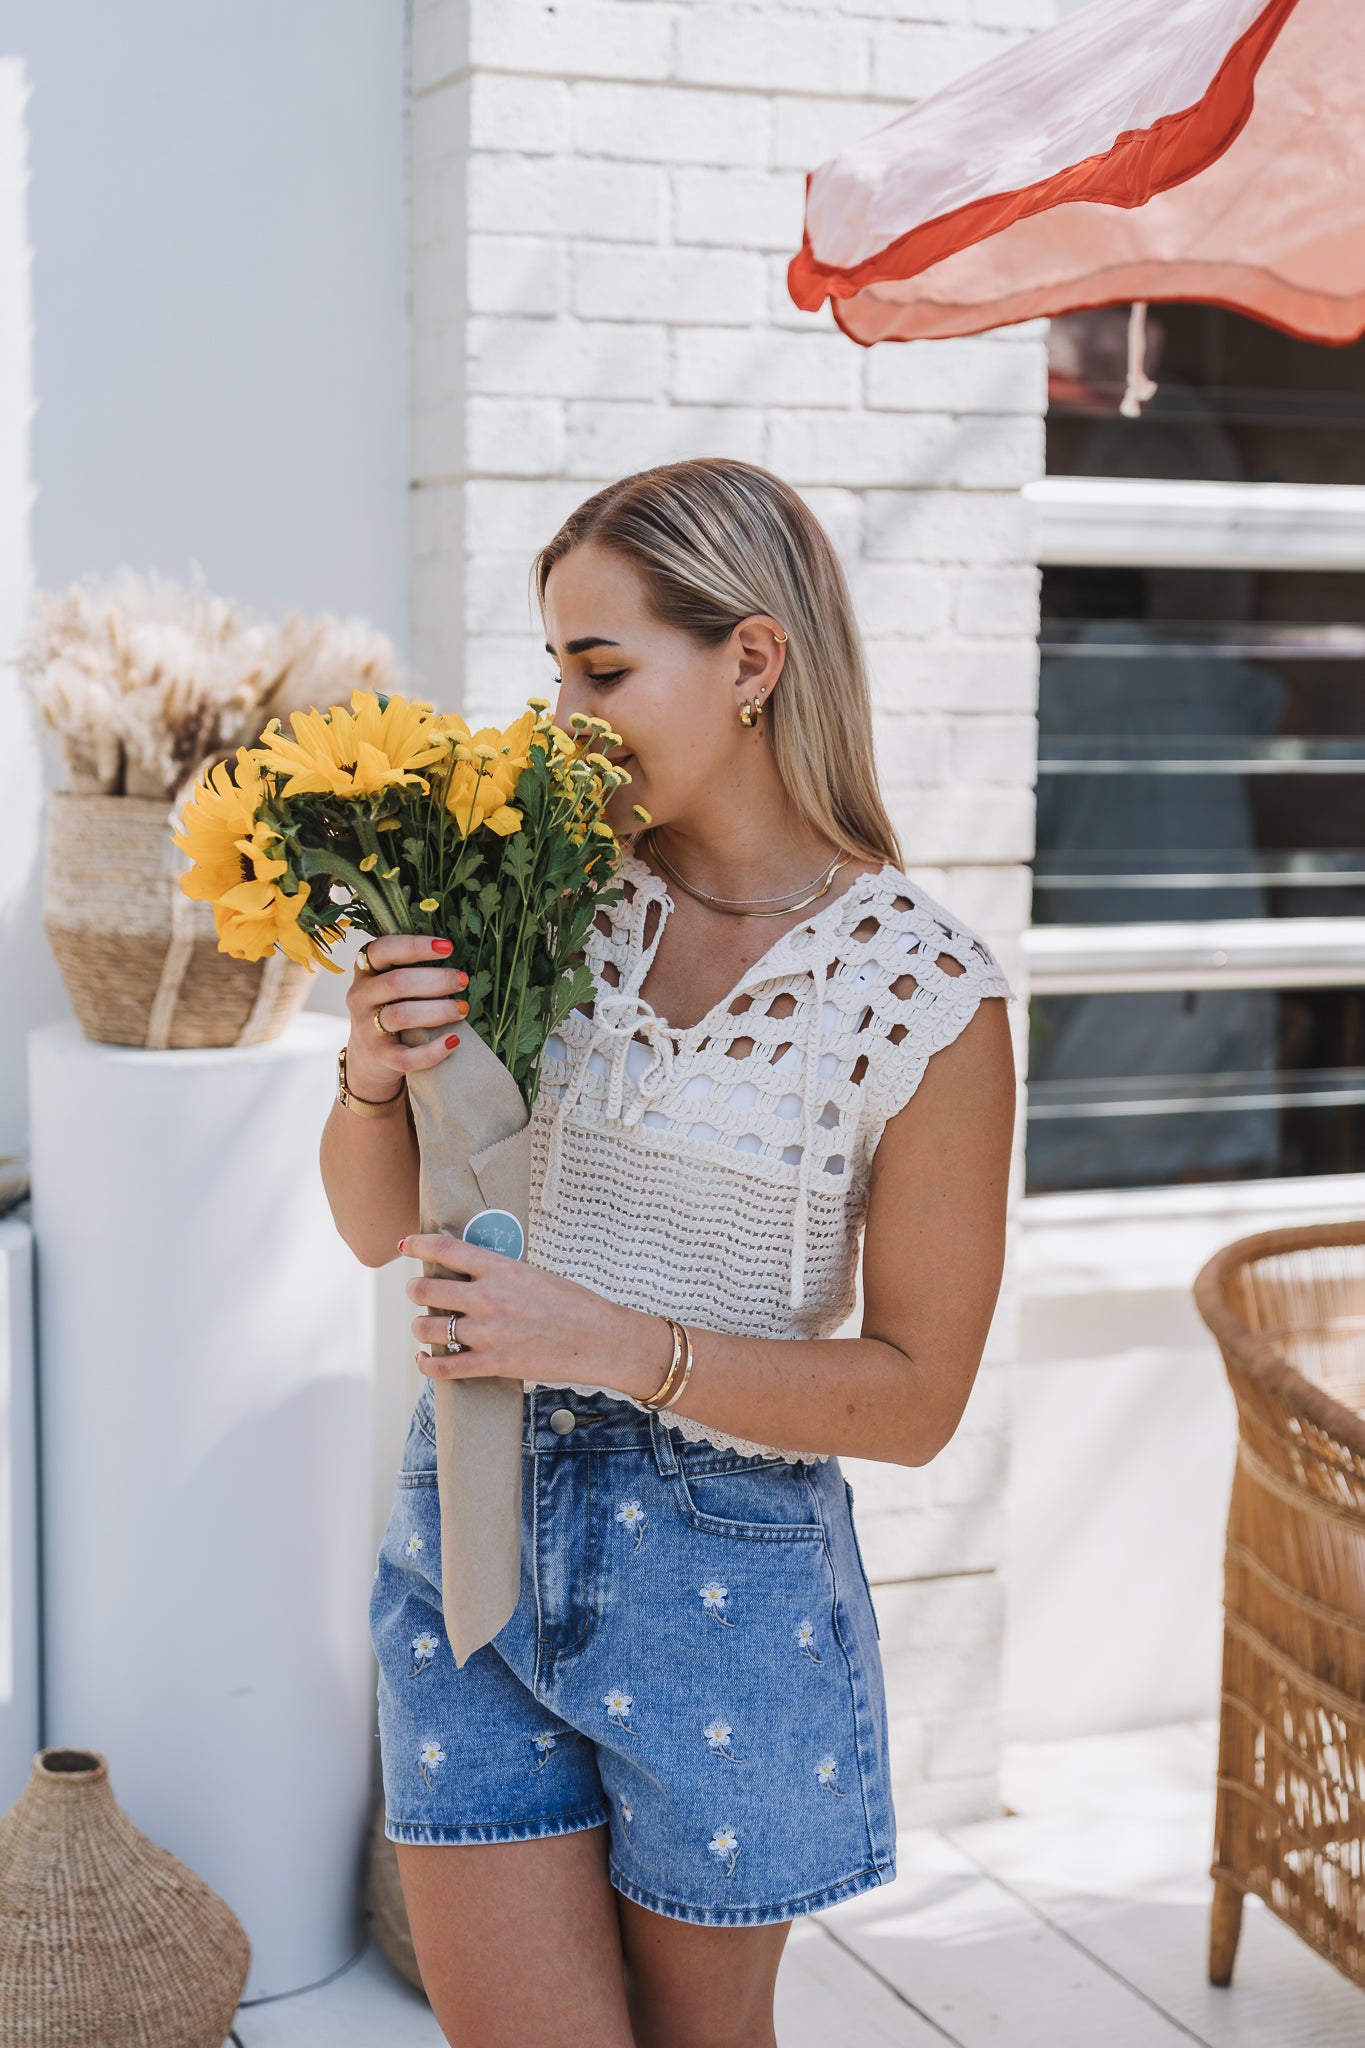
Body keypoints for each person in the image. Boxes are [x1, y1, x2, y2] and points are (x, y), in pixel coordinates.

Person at [320, 457, 1015, 2048]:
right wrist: (369, 1074)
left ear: (752, 662)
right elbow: (377, 1227)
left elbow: (914, 1401)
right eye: (554, 664)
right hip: (474, 1525)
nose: (559, 710)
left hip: (727, 1574)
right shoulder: (538, 895)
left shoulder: (921, 998)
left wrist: (612, 1341)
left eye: (601, 667)